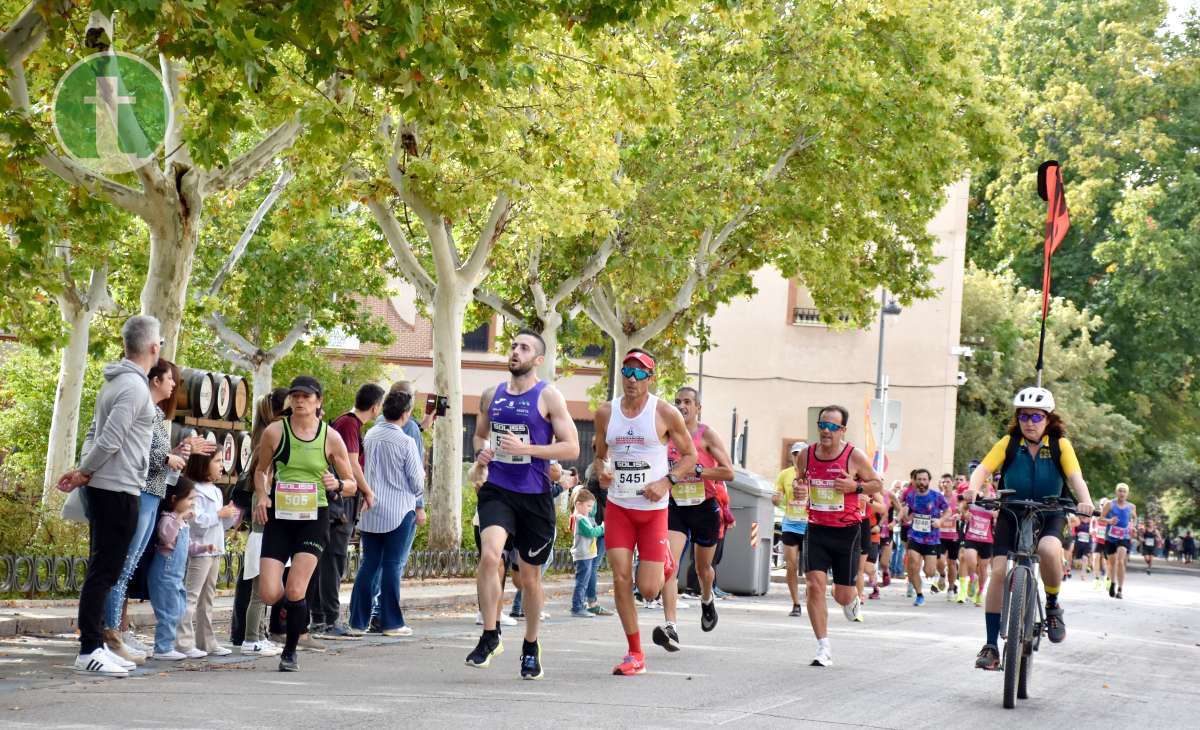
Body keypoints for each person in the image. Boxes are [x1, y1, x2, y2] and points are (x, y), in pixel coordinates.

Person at [466, 330, 580, 679]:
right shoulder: (492, 395)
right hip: (498, 489)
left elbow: (572, 447)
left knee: (528, 579)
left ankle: (531, 644)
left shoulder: (548, 397)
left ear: (538, 359)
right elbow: (480, 434)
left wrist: (528, 450)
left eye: (524, 347)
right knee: (490, 556)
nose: (516, 351)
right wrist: (482, 452)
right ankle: (490, 634)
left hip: (534, 495)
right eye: (513, 346)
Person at [57, 315, 161, 676]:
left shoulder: (117, 384)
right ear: (153, 347)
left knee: (106, 570)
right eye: (159, 342)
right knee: (104, 572)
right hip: (116, 489)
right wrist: (84, 472)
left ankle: (97, 643)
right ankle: (88, 648)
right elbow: (111, 439)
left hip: (114, 486)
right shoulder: (133, 388)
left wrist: (84, 469)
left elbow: (95, 434)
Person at [968, 386, 1094, 671]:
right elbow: (983, 469)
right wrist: (973, 489)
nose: (1029, 422)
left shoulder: (1061, 445)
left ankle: (1052, 606)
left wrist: (1085, 501)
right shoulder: (1009, 443)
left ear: (1048, 418)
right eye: (1023, 416)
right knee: (998, 572)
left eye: (1036, 417)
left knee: (1049, 549)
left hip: (1050, 510)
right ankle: (991, 646)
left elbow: (1075, 477)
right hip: (1012, 511)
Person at [593, 349, 696, 676]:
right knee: (621, 578)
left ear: (652, 378)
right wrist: (602, 471)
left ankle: (665, 563)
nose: (632, 379)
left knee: (649, 589)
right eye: (628, 371)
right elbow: (599, 456)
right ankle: (635, 652)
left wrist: (666, 482)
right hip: (619, 507)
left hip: (652, 510)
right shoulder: (606, 413)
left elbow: (690, 456)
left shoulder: (665, 413)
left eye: (640, 373)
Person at [102, 358, 208, 665]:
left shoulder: (158, 415)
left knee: (129, 566)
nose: (174, 384)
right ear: (155, 380)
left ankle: (115, 634)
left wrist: (176, 456)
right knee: (122, 567)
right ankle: (110, 636)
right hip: (141, 493)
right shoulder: (144, 410)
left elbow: (161, 464)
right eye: (170, 378)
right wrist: (168, 458)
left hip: (152, 492)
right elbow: (138, 453)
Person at [254, 375, 359, 672]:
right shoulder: (276, 432)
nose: (300, 401)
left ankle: (290, 652)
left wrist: (336, 482)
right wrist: (262, 495)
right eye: (295, 396)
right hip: (281, 517)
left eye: (307, 396)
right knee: (270, 593)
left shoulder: (330, 437)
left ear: (318, 401)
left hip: (314, 518)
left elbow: (352, 484)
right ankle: (294, 609)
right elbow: (261, 471)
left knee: (297, 589)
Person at [792, 405, 883, 668]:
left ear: (842, 430)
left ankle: (851, 597)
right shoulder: (806, 455)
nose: (826, 430)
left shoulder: (854, 456)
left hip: (847, 532)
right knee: (813, 585)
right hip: (816, 528)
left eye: (832, 426)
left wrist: (855, 486)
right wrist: (800, 492)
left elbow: (877, 484)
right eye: (822, 424)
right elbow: (801, 482)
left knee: (842, 595)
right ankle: (824, 647)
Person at [653, 386, 735, 652]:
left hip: (704, 506)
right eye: (677, 401)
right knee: (670, 564)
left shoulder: (706, 434)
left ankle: (707, 598)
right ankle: (671, 626)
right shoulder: (665, 433)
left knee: (703, 570)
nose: (681, 406)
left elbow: (728, 472)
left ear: (698, 407)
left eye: (687, 402)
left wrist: (699, 469)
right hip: (675, 505)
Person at [349, 386, 425, 636]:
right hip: (399, 510)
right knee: (392, 565)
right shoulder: (406, 441)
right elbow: (417, 482)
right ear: (406, 413)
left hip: (370, 510)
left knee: (368, 564)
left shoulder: (368, 436)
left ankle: (357, 622)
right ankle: (391, 622)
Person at [311, 383, 383, 639]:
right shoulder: (349, 424)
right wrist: (367, 490)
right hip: (340, 499)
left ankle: (320, 617)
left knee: (327, 558)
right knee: (334, 558)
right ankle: (328, 619)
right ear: (376, 407)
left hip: (338, 497)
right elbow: (351, 464)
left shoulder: (345, 422)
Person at [230, 388, 287, 657]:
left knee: (261, 590)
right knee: (257, 590)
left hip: (263, 534)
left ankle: (256, 634)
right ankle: (252, 636)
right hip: (261, 535)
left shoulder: (261, 443)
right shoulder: (265, 453)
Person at [176, 451, 238, 658]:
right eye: (218, 461)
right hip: (200, 548)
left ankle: (207, 642)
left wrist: (229, 516)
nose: (222, 465)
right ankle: (183, 641)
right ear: (204, 464)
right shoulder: (195, 490)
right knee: (192, 596)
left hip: (215, 547)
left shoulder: (217, 491)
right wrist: (219, 514)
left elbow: (221, 523)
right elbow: (197, 521)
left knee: (207, 598)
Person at [148, 478, 212, 660]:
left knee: (178, 609)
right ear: (175, 499)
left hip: (176, 576)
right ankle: (163, 648)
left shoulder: (183, 523)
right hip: (165, 574)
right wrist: (178, 518)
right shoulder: (168, 519)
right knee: (167, 612)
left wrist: (202, 547)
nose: (192, 504)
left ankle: (170, 644)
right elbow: (166, 537)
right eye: (190, 499)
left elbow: (187, 545)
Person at [900, 469, 950, 607]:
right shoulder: (910, 496)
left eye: (924, 479)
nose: (921, 482)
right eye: (919, 479)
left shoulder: (936, 496)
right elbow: (908, 516)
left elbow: (948, 511)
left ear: (929, 481)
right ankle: (919, 595)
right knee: (913, 564)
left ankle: (940, 575)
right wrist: (905, 516)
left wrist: (940, 521)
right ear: (914, 481)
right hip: (915, 536)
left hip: (932, 538)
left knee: (929, 572)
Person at [774, 442, 809, 616]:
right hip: (791, 523)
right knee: (791, 565)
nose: (798, 457)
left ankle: (812, 596)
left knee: (812, 569)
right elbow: (777, 496)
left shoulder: (814, 474)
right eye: (795, 454)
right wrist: (776, 498)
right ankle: (796, 603)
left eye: (801, 453)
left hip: (810, 525)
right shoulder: (784, 475)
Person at [583, 460, 615, 616]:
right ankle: (591, 601)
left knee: (588, 565)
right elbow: (608, 504)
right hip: (601, 528)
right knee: (593, 565)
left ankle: (583, 600)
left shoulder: (587, 491)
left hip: (593, 527)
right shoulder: (601, 491)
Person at [960, 478, 997, 607]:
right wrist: (965, 514)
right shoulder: (972, 496)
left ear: (989, 484)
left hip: (987, 539)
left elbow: (1000, 515)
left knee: (983, 568)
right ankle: (973, 579)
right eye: (980, 482)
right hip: (971, 536)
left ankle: (980, 593)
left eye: (985, 482)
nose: (982, 485)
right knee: (969, 558)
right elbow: (962, 507)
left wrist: (996, 515)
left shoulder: (994, 500)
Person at [570, 488, 605, 617]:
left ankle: (581, 605)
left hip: (587, 555)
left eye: (591, 506)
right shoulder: (580, 518)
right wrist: (602, 528)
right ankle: (577, 607)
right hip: (583, 555)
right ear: (578, 504)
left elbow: (594, 511)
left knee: (583, 582)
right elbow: (591, 533)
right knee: (582, 583)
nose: (591, 509)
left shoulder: (584, 517)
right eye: (588, 506)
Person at [1102, 483, 1137, 598]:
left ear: (1127, 494)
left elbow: (1134, 518)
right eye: (1120, 491)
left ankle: (1120, 589)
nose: (1122, 493)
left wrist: (1133, 527)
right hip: (1110, 537)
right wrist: (1109, 521)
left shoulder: (1131, 506)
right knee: (1111, 563)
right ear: (1116, 492)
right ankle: (1112, 583)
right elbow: (1100, 518)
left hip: (1124, 537)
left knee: (1120, 561)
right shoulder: (1109, 504)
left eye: (1124, 491)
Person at [935, 473, 962, 601]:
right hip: (939, 534)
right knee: (939, 560)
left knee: (952, 562)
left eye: (947, 482)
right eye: (943, 482)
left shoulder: (958, 498)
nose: (945, 484)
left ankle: (951, 588)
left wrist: (960, 515)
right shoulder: (937, 497)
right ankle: (941, 574)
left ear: (952, 483)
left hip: (953, 534)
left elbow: (965, 511)